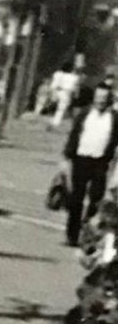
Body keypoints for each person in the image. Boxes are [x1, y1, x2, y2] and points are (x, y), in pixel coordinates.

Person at [61, 82, 118, 246]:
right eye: (99, 97)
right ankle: (72, 234)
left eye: (105, 98)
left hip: (100, 162)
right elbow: (74, 136)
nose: (101, 101)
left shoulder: (114, 118)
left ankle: (88, 232)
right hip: (81, 159)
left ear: (109, 99)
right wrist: (66, 158)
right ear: (94, 97)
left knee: (96, 198)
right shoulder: (84, 114)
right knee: (76, 198)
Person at [50, 57, 83, 128]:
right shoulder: (73, 77)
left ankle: (55, 119)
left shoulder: (57, 74)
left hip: (57, 90)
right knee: (61, 108)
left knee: (58, 106)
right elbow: (73, 87)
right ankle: (56, 121)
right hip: (65, 92)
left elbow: (54, 84)